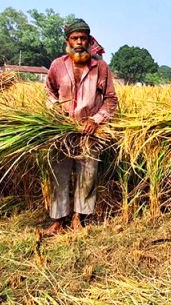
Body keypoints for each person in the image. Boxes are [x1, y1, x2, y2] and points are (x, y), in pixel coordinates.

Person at [43, 18, 118, 236]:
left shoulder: (100, 67)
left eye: (83, 38)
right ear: (68, 40)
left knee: (87, 175)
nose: (79, 42)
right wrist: (55, 109)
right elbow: (49, 91)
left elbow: (111, 99)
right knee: (59, 173)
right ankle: (58, 220)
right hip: (62, 129)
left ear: (89, 40)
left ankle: (79, 218)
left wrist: (95, 119)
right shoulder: (58, 65)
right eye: (75, 38)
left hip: (90, 130)